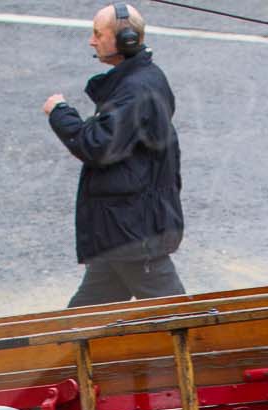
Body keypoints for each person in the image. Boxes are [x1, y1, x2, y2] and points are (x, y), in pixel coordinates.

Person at [41, 4, 186, 308]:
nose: (92, 41)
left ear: (127, 41)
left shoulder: (136, 90)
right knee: (86, 316)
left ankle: (202, 354)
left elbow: (96, 145)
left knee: (177, 318)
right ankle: (65, 353)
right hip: (123, 230)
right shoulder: (140, 80)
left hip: (133, 233)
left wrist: (60, 113)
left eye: (98, 34)